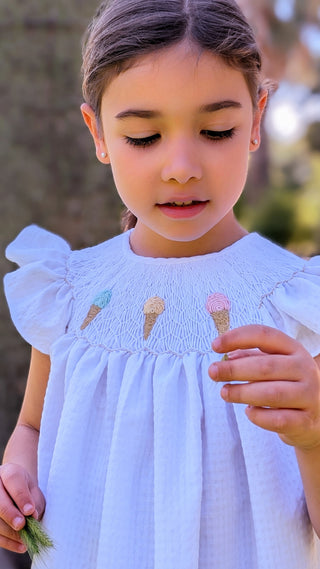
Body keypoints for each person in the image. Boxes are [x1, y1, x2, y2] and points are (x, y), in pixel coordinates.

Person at [1, 0, 320, 567]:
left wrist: (314, 435)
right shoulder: (71, 292)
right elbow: (32, 424)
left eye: (216, 130)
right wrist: (15, 476)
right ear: (98, 133)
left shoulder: (299, 304)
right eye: (145, 137)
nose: (181, 166)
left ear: (257, 119)